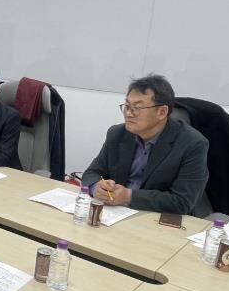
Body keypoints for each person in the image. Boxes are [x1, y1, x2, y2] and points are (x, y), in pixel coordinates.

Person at [82, 74, 209, 215]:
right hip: (115, 214)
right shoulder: (117, 134)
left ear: (162, 112)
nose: (128, 114)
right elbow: (92, 173)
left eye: (137, 108)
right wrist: (96, 187)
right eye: (127, 106)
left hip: (158, 219)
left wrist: (128, 196)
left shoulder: (192, 144)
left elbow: (182, 202)